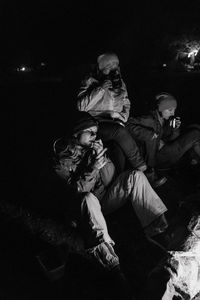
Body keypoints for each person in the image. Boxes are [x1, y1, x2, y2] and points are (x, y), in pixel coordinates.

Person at [52, 111, 170, 298]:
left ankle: (159, 230)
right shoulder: (61, 160)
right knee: (88, 199)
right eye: (89, 132)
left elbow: (108, 181)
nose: (94, 136)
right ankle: (111, 263)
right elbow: (78, 191)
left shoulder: (92, 149)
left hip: (104, 200)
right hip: (84, 209)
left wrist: (102, 160)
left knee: (135, 176)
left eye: (96, 132)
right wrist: (93, 167)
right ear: (76, 134)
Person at [76, 52, 147, 175]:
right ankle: (142, 168)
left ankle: (121, 179)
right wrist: (101, 89)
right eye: (109, 67)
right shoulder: (90, 81)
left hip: (118, 121)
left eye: (116, 66)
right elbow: (81, 106)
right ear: (100, 69)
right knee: (119, 132)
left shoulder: (119, 82)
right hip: (98, 122)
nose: (114, 70)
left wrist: (122, 117)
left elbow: (126, 103)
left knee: (119, 146)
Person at [126, 92, 200, 172]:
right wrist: (148, 134)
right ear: (161, 108)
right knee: (195, 134)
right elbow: (128, 124)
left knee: (195, 130)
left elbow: (171, 139)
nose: (173, 113)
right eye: (170, 110)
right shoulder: (150, 119)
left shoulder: (163, 120)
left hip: (164, 151)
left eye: (174, 110)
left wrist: (174, 129)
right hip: (156, 157)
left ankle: (194, 160)